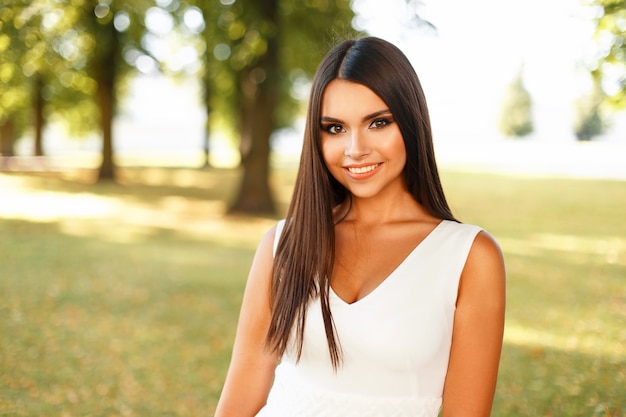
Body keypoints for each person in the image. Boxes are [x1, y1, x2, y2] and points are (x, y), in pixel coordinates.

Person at [214, 36, 506, 417]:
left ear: (412, 123)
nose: (355, 149)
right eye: (334, 128)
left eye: (378, 122)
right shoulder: (283, 244)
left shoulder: (469, 257)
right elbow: (244, 389)